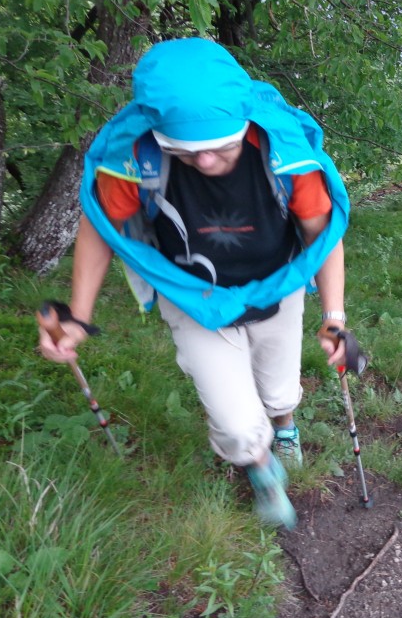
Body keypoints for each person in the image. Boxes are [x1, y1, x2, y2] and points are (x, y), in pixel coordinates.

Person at [37, 38, 351, 530]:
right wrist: (77, 316)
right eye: (184, 152)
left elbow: (323, 235)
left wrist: (334, 318)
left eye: (220, 148)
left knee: (280, 389)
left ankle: (285, 427)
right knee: (235, 422)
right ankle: (258, 463)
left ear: (244, 123)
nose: (204, 162)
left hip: (276, 285)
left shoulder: (284, 155)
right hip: (192, 296)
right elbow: (99, 228)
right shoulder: (135, 157)